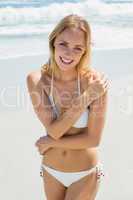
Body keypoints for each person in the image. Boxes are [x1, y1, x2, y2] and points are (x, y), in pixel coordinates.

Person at [27, 14, 109, 200]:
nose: (68, 54)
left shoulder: (95, 82)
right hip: (50, 171)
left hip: (86, 173)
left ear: (84, 52)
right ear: (53, 41)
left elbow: (93, 139)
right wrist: (85, 97)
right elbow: (54, 131)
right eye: (63, 44)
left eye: (77, 48)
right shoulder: (37, 80)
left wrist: (51, 143)